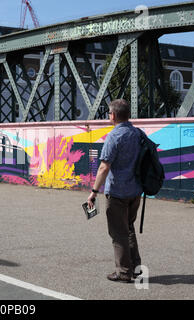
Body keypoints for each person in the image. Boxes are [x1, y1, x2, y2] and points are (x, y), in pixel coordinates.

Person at [87, 99, 143, 283]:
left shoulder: (114, 136)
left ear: (112, 115)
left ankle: (124, 272)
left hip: (117, 192)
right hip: (135, 191)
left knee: (118, 232)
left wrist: (94, 191)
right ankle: (135, 268)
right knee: (128, 228)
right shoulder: (137, 133)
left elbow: (104, 167)